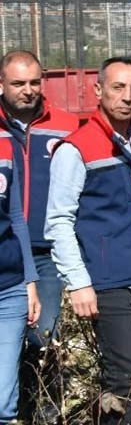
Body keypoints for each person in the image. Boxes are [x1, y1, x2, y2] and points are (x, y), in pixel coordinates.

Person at [44, 57, 131, 425]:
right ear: (98, 90)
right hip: (106, 282)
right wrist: (78, 282)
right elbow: (59, 220)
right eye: (118, 88)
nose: (127, 97)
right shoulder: (77, 148)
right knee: (124, 378)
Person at [0, 50, 78, 424]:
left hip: (46, 254)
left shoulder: (66, 126)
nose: (28, 90)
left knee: (42, 339)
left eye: (34, 82)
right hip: (4, 252)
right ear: (1, 83)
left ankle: (42, 414)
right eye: (18, 83)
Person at [0, 122, 40, 424]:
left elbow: (16, 217)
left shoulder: (5, 143)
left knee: (3, 402)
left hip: (10, 287)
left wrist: (30, 280)